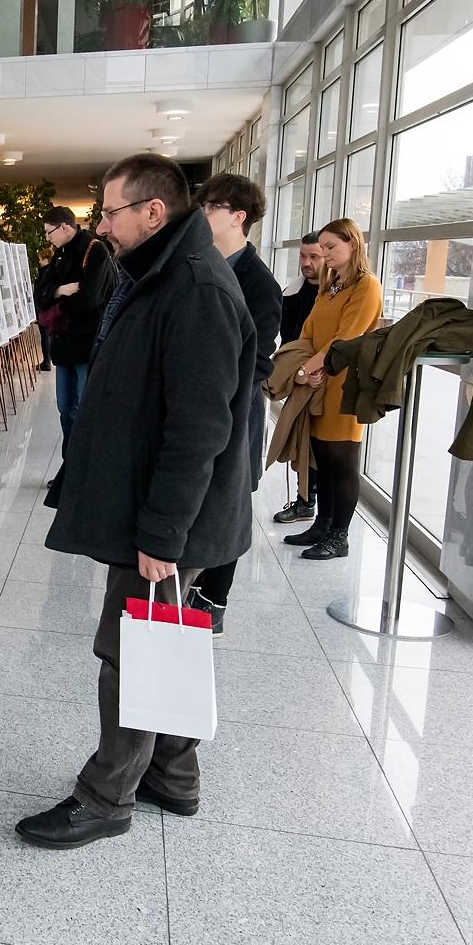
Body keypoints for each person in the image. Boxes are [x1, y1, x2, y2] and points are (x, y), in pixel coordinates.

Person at [17, 154, 255, 849]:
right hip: (153, 508)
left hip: (167, 517)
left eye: (111, 212)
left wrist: (162, 533)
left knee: (129, 647)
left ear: (154, 212)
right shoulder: (160, 273)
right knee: (159, 641)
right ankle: (174, 776)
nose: (101, 225)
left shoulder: (195, 287)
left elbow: (199, 428)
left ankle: (105, 796)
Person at [183, 174, 282, 636]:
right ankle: (181, 592)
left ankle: (211, 600)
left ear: (238, 216)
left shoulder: (259, 284)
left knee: (226, 504)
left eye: (211, 207)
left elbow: (256, 362)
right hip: (192, 407)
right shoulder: (194, 263)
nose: (203, 214)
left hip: (234, 410)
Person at [282, 218, 383, 560]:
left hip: (345, 385)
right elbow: (309, 333)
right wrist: (306, 370)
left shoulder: (366, 286)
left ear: (352, 245)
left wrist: (306, 369)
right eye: (321, 248)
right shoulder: (330, 286)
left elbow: (347, 338)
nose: (323, 254)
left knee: (342, 462)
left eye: (330, 247)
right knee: (321, 459)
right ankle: (322, 525)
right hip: (320, 382)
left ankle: (339, 536)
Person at [33, 206, 113, 462]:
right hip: (63, 345)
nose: (48, 239)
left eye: (49, 232)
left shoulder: (95, 250)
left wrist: (56, 302)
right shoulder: (59, 255)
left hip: (87, 344)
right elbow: (40, 295)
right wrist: (60, 292)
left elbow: (89, 299)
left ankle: (82, 465)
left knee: (83, 410)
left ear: (65, 227)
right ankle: (69, 465)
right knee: (65, 408)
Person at [273, 231, 325, 524]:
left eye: (314, 256)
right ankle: (306, 501)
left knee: (323, 447)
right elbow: (289, 341)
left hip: (329, 379)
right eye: (303, 256)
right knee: (302, 443)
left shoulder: (336, 295)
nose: (306, 262)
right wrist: (299, 374)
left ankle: (318, 509)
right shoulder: (291, 293)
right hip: (302, 378)